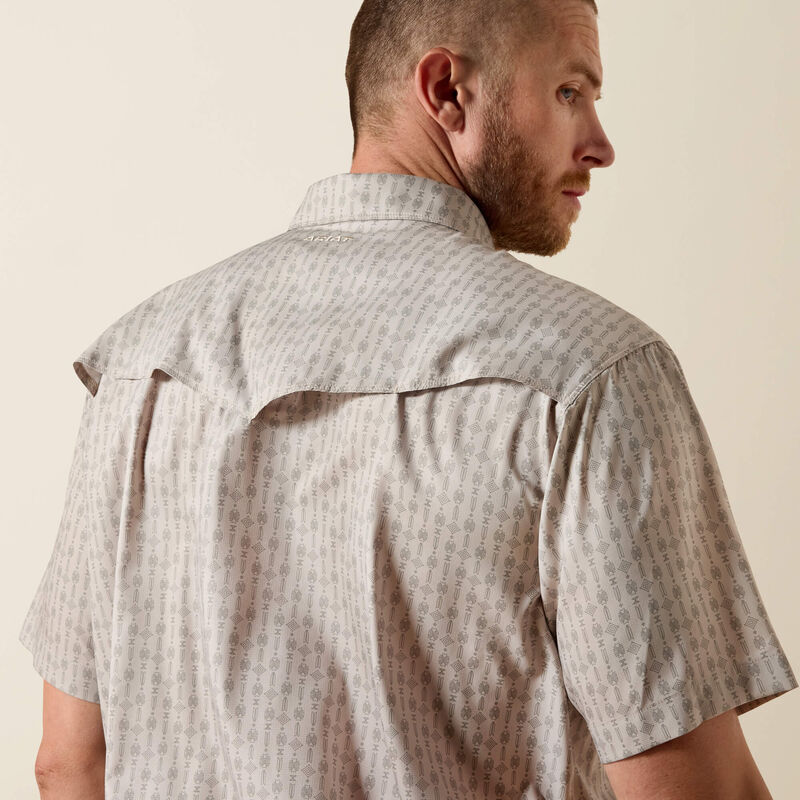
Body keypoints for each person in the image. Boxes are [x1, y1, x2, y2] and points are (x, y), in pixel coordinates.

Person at [20, 1, 797, 798]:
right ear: (447, 91)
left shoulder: (138, 363)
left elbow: (68, 762)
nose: (599, 143)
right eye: (570, 91)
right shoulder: (588, 373)